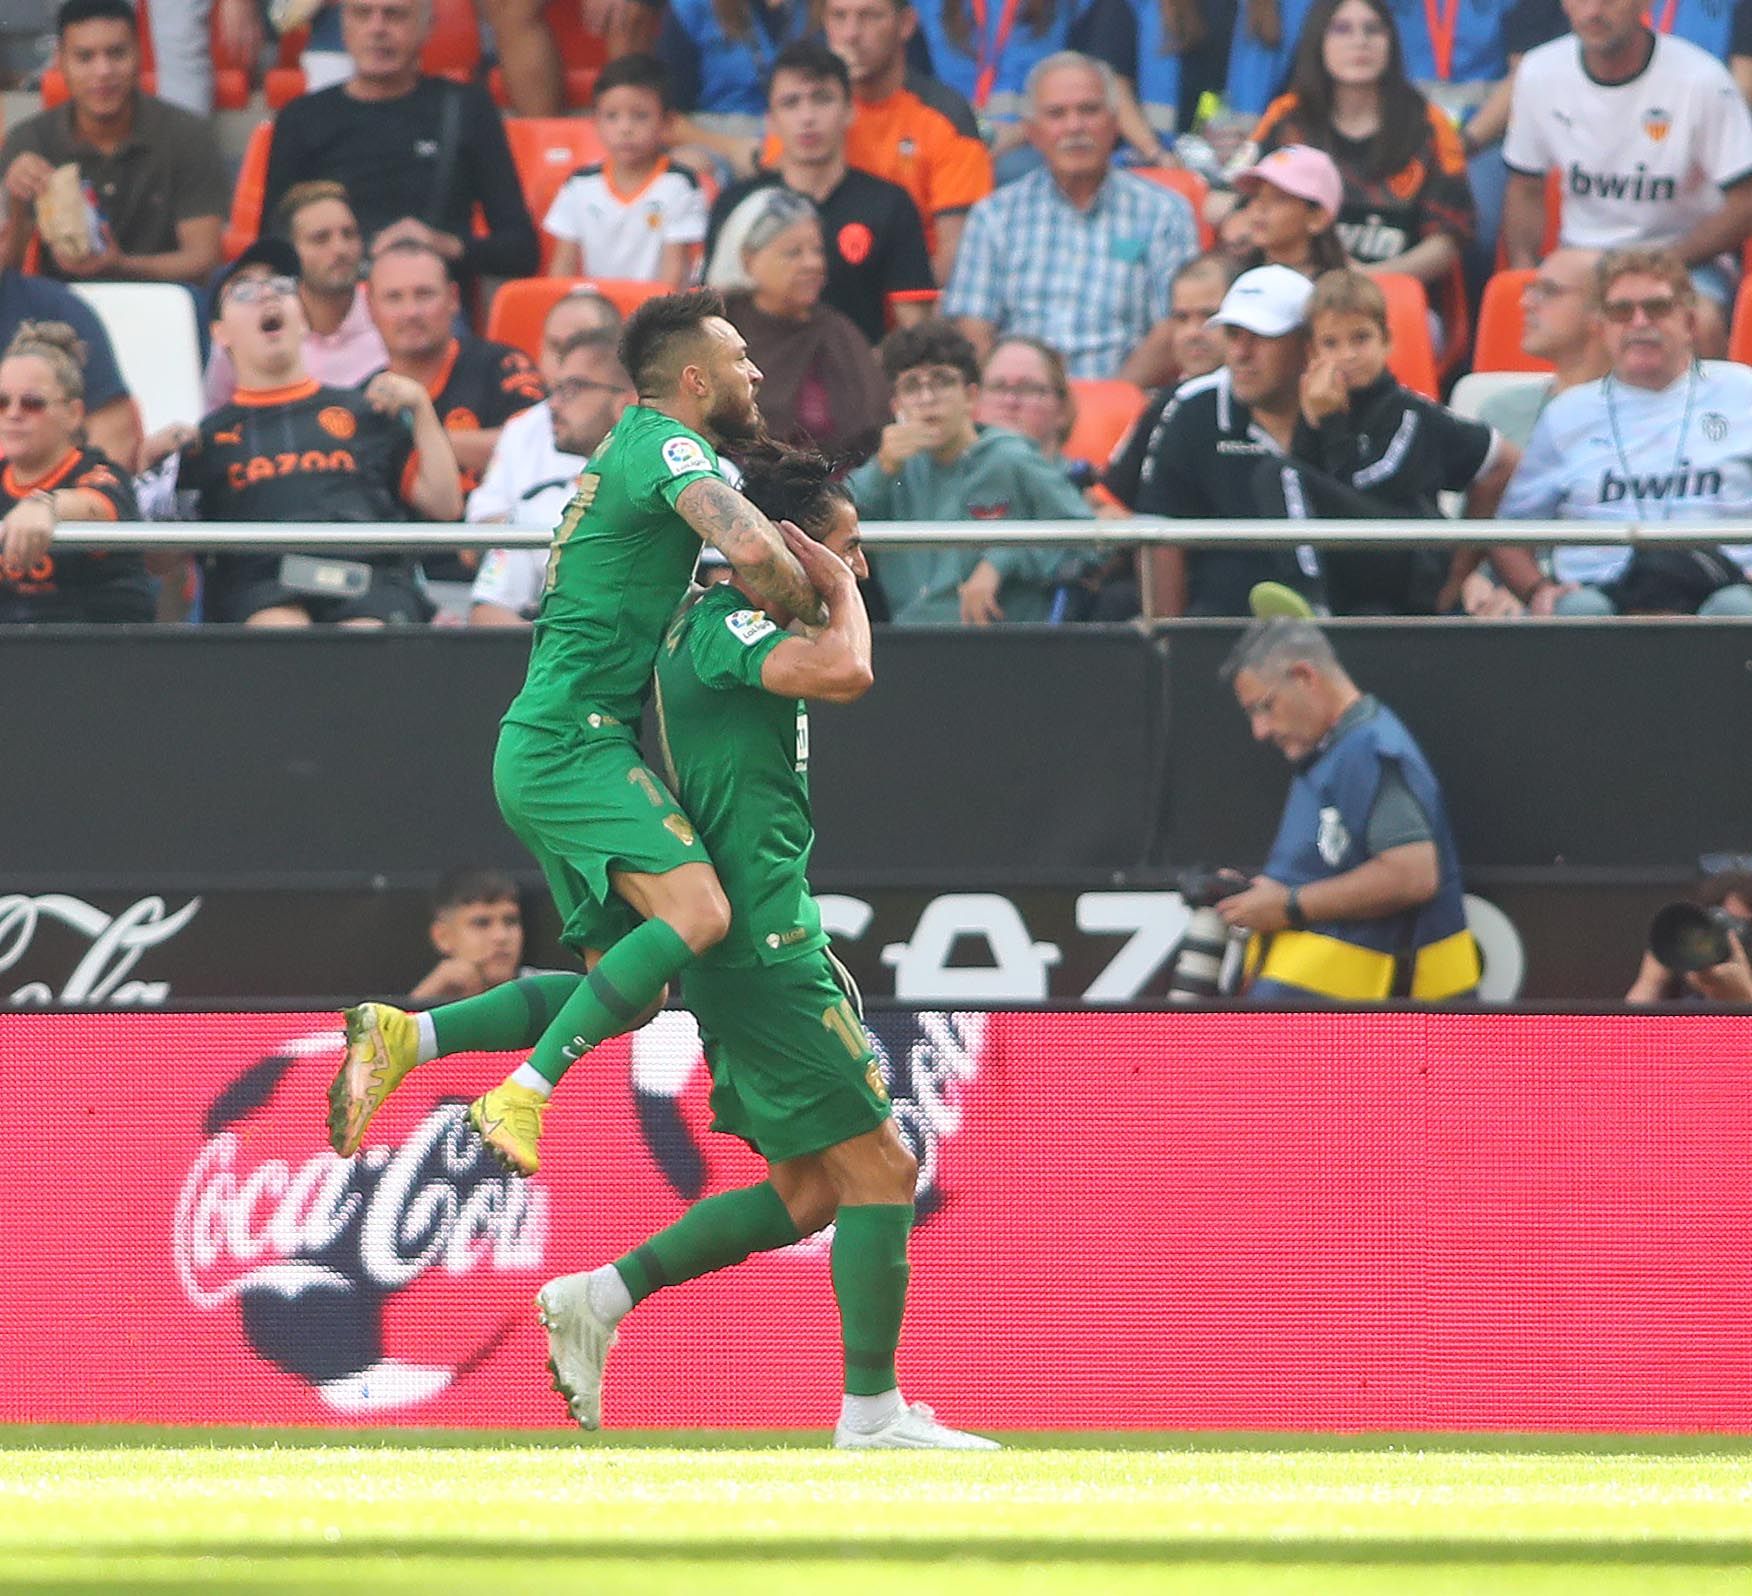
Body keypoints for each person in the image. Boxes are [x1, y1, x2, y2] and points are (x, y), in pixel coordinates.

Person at [532, 441, 995, 1449]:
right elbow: (850, 668)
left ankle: (598, 1299)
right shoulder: (729, 623)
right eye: (845, 547)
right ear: (783, 549)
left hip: (765, 930)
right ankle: (871, 1416)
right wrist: (832, 590)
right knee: (883, 1172)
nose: (857, 567)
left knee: (809, 1189)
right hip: (761, 940)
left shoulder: (729, 624)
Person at [327, 288, 827, 1180]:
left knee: (628, 992)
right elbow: (750, 549)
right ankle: (523, 1090)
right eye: (740, 358)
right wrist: (819, 603)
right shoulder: (667, 443)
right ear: (692, 376)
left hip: (557, 738)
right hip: (571, 742)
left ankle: (412, 1034)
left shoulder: (629, 451)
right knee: (702, 913)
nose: (756, 372)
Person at [174, 239, 463, 625]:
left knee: (365, 634)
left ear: (304, 318)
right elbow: (165, 561)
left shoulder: (365, 411)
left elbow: (446, 506)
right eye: (244, 292)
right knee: (280, 630)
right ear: (220, 332)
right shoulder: (206, 439)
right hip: (261, 588)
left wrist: (422, 409)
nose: (266, 297)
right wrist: (155, 462)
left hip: (367, 579)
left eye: (281, 288)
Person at [1217, 617, 1480, 1003]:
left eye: (1265, 707)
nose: (1260, 730)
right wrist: (1258, 893)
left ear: (1305, 677)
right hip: (1337, 1030)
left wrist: (1288, 906)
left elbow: (1414, 873)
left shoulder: (1368, 749)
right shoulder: (1330, 752)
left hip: (1383, 1039)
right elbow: (1328, 864)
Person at [1497, 246, 1752, 617]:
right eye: (1621, 311)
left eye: (1657, 308)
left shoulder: (1744, 392)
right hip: (1602, 593)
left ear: (1690, 322)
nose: (1638, 322)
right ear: (1601, 327)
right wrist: (1539, 590)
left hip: (1725, 585)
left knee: (1737, 610)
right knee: (1580, 613)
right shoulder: (1566, 414)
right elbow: (1509, 534)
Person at [1502, 0, 1752, 357]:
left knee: (1702, 320)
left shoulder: (1702, 80)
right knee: (1527, 316)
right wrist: (1525, 274)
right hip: (1581, 255)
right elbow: (1524, 186)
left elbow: (1745, 201)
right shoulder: (1539, 72)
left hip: (1683, 258)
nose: (1592, 11)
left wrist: (1661, 263)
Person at [1226, 0, 1476, 343]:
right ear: (1319, 41)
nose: (1360, 41)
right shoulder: (1287, 117)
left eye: (1373, 29)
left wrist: (1367, 278)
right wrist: (1239, 222)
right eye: (1342, 29)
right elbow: (1220, 200)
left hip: (1388, 296)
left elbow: (1449, 240)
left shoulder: (1428, 124)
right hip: (1292, 289)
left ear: (1391, 42)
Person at [943, 52, 1198, 380]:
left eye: (1089, 110)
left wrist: (1106, 405)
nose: (1075, 126)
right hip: (1017, 404)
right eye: (1056, 114)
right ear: (1032, 132)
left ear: (1115, 122)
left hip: (1127, 406)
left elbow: (1172, 329)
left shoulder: (1165, 213)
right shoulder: (994, 216)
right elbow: (973, 328)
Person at [262, 0, 539, 297]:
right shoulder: (302, 117)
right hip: (336, 304)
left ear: (427, 27)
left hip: (429, 306)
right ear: (344, 26)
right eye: (362, 14)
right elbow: (272, 249)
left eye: (394, 15)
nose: (377, 29)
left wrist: (442, 244)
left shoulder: (467, 109)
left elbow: (521, 250)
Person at [1288, 268, 1519, 613]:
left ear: (1387, 341)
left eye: (1361, 338)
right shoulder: (1314, 411)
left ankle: (1311, 602)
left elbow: (1504, 461)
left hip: (1408, 578)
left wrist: (1460, 569)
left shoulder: (1411, 414)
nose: (1348, 354)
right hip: (1349, 582)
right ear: (1312, 352)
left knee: (1281, 476)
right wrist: (1311, 425)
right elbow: (1304, 489)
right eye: (1331, 343)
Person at [848, 319, 1094, 623]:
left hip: (999, 646)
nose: (927, 398)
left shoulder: (1010, 456)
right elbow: (829, 528)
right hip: (906, 643)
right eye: (912, 386)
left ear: (971, 396)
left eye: (941, 381)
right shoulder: (891, 467)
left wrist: (1004, 559)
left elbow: (1090, 541)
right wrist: (880, 469)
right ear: (897, 404)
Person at [705, 41, 936, 345]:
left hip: (859, 377)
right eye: (791, 103)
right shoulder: (738, 204)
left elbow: (915, 330)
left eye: (822, 99)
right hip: (755, 377)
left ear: (850, 110)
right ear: (770, 121)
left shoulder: (890, 203)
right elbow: (711, 318)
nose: (807, 117)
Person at [1133, 263, 1326, 616]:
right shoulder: (1190, 407)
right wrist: (1169, 645)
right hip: (1218, 630)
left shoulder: (1357, 403)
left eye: (1261, 336)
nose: (1241, 353)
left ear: (1307, 344)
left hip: (1349, 623)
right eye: (1234, 335)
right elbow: (1158, 532)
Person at [0, 0, 226, 290]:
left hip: (163, 302)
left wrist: (120, 265)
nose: (103, 70)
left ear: (140, 54)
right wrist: (16, 201)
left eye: (117, 53)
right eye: (85, 57)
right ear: (61, 62)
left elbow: (205, 261)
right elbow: (7, 273)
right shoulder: (29, 140)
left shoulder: (187, 134)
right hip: (62, 310)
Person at [795, 0, 993, 284]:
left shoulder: (945, 117)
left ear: (906, 24)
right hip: (816, 296)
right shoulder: (803, 111)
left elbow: (959, 251)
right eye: (839, 16)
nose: (851, 33)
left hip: (913, 302)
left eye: (870, 16)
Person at [469, 326, 635, 626]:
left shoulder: (702, 479)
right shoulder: (537, 505)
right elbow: (488, 610)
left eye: (573, 389)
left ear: (626, 402)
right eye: (555, 390)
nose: (553, 406)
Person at [709, 188, 889, 457]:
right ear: (748, 259)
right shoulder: (717, 329)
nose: (813, 263)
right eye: (794, 253)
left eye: (817, 251)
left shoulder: (837, 332)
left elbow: (870, 429)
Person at [365, 239, 546, 502]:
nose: (411, 312)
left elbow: (539, 445)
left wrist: (419, 441)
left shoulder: (505, 367)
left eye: (424, 294)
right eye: (394, 298)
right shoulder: (367, 398)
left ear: (453, 299)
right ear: (370, 309)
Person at [0, 320, 150, 624]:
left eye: (32, 403)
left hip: (96, 654)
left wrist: (43, 506)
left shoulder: (101, 472)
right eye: (2, 402)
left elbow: (97, 505)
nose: (13, 414)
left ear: (73, 414)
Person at [202, 181, 389, 412]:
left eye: (349, 234)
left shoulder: (391, 312)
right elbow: (216, 417)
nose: (340, 248)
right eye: (321, 239)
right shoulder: (248, 331)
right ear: (291, 251)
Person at [541, 54, 709, 289]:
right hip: (596, 314)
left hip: (655, 315)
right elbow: (563, 264)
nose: (625, 128)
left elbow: (675, 270)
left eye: (640, 116)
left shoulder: (679, 185)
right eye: (611, 117)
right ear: (595, 122)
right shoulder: (579, 185)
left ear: (667, 122)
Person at [0, 202, 140, 471]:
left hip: (51, 500)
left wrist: (73, 501)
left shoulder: (58, 311)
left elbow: (113, 433)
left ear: (4, 235)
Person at [1102, 251, 1238, 516]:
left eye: (1209, 316)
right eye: (1181, 318)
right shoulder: (1165, 404)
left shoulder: (1268, 399)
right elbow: (1111, 500)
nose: (1192, 333)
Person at [1226, 143, 1351, 280]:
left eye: (1280, 198)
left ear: (1317, 218)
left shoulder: (1336, 294)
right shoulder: (1231, 278)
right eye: (1257, 196)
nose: (1261, 207)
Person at [409, 869, 529, 1003]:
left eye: (511, 921)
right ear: (442, 937)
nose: (501, 936)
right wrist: (423, 999)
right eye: (481, 923)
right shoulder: (433, 992)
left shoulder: (550, 990)